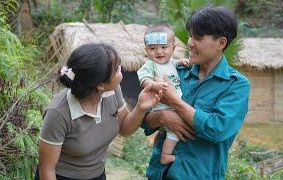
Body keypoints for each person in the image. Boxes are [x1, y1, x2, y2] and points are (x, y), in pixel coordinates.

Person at [141, 6, 251, 179]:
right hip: (158, 174)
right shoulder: (177, 72)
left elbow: (217, 129)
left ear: (221, 43)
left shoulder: (236, 85)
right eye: (191, 36)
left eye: (197, 38)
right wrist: (162, 116)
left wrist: (174, 102)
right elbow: (145, 120)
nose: (190, 42)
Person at [35, 43, 162, 180]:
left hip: (97, 175)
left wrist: (140, 107)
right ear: (100, 85)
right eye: (117, 70)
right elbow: (47, 169)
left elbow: (124, 129)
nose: (121, 69)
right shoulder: (59, 113)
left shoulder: (112, 90)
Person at [137, 24, 190, 165]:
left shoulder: (171, 63)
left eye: (164, 47)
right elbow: (143, 78)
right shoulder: (150, 65)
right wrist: (154, 84)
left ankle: (160, 146)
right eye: (152, 48)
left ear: (173, 48)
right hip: (162, 107)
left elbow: (175, 62)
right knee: (173, 133)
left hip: (174, 106)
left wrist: (181, 61)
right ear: (146, 50)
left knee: (170, 131)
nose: (159, 52)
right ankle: (165, 155)